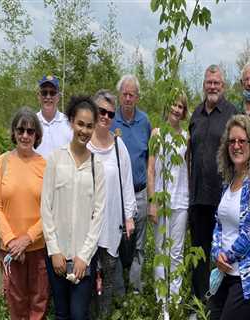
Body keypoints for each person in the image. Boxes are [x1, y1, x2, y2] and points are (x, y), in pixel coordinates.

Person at [41, 96, 105, 320]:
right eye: (80, 124)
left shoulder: (97, 167)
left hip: (83, 258)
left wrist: (84, 257)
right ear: (71, 122)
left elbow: (98, 216)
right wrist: (54, 250)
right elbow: (45, 208)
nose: (84, 130)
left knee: (79, 314)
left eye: (89, 126)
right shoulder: (55, 160)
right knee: (61, 313)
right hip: (57, 256)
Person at [0, 107, 49, 320]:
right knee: (16, 306)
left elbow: (50, 211)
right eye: (20, 130)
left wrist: (27, 239)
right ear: (14, 133)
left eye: (30, 131)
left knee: (38, 304)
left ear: (37, 135)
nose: (25, 135)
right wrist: (12, 241)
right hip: (10, 250)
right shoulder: (3, 162)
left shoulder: (45, 164)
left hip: (38, 249)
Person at [209, 114, 250, 320]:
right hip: (223, 273)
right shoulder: (229, 181)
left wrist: (227, 257)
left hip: (244, 278)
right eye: (232, 141)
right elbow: (219, 224)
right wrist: (216, 251)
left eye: (242, 141)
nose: (236, 146)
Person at [188, 64, 237, 303]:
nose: (213, 86)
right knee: (198, 253)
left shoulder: (232, 113)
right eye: (209, 82)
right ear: (204, 84)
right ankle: (199, 302)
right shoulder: (195, 114)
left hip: (222, 197)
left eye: (217, 83)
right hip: (197, 198)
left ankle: (219, 301)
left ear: (223, 86)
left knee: (222, 253)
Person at [87, 90, 137, 318]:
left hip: (112, 225)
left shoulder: (119, 147)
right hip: (86, 228)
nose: (105, 116)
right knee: (85, 280)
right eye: (101, 111)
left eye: (110, 113)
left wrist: (129, 218)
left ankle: (104, 315)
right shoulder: (83, 145)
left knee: (107, 281)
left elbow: (127, 185)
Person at [147, 94, 189, 314]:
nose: (176, 109)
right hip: (161, 200)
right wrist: (152, 202)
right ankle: (161, 301)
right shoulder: (157, 133)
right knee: (160, 251)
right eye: (174, 103)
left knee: (176, 252)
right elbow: (151, 169)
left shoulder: (186, 136)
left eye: (181, 106)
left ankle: (175, 300)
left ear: (184, 111)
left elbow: (188, 170)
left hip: (181, 200)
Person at [110, 74, 152, 294]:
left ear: (137, 97)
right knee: (117, 243)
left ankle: (135, 292)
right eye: (124, 94)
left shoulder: (144, 121)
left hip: (140, 192)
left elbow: (148, 159)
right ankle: (119, 292)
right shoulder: (110, 121)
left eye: (131, 94)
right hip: (116, 195)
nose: (127, 98)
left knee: (138, 245)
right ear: (119, 96)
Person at [35, 75, 73, 159]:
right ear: (38, 96)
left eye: (52, 93)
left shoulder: (68, 123)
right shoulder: (32, 122)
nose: (48, 97)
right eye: (44, 93)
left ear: (58, 97)